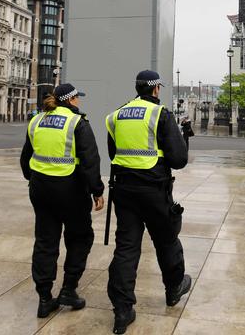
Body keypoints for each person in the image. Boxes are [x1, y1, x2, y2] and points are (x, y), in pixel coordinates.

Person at [105, 70, 190, 334]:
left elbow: (113, 153)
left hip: (124, 191)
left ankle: (122, 310)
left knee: (126, 248)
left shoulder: (116, 115)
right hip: (154, 190)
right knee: (166, 241)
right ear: (155, 89)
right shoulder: (160, 114)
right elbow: (179, 160)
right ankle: (174, 287)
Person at [20, 83, 104, 319]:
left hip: (40, 188)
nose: (79, 101)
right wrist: (97, 190)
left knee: (45, 241)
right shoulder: (77, 122)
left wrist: (34, 178)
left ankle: (45, 298)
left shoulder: (36, 121)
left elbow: (26, 157)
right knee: (80, 237)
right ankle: (68, 289)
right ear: (71, 99)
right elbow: (90, 161)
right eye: (78, 97)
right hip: (70, 189)